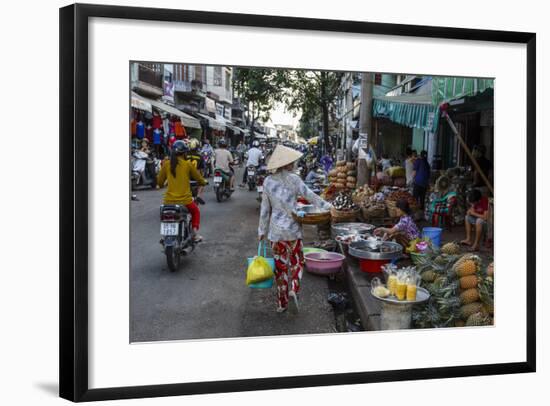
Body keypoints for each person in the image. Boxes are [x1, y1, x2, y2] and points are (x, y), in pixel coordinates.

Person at [258, 145, 332, 313]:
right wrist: (328, 206)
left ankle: (281, 303)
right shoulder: (295, 179)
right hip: (293, 231)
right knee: (297, 262)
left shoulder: (268, 181)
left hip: (276, 233)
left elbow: (265, 210)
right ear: (287, 164)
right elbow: (310, 196)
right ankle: (294, 287)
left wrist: (261, 231)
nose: (294, 164)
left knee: (280, 268)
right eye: (292, 162)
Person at [156, 140, 208, 242]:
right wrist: (203, 182)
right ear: (184, 153)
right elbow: (199, 179)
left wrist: (161, 183)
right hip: (185, 201)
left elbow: (159, 182)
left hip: (168, 201)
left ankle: (166, 237)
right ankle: (194, 234)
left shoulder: (166, 164)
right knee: (196, 211)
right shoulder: (187, 165)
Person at [185, 138, 206, 205]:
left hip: (185, 176)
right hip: (195, 177)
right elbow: (202, 169)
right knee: (202, 183)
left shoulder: (185, 155)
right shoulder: (200, 156)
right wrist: (202, 176)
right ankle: (198, 196)